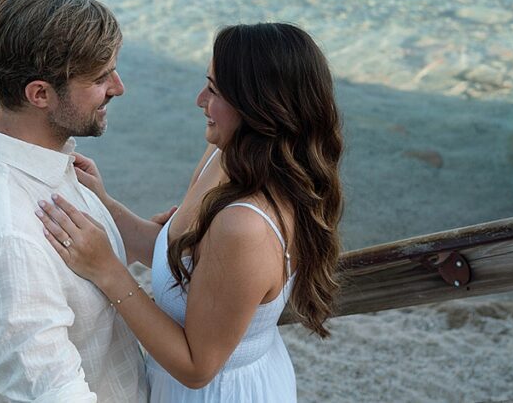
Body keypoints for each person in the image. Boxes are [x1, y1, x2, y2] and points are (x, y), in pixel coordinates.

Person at [37, 22, 344, 402]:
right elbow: (181, 263)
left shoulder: (245, 225)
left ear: (258, 106)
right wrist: (105, 203)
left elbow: (197, 367)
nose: (200, 99)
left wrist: (109, 272)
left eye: (214, 91)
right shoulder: (225, 154)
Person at [0, 0, 148, 402]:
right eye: (101, 77)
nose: (118, 87)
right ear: (40, 94)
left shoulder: (21, 156)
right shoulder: (7, 238)